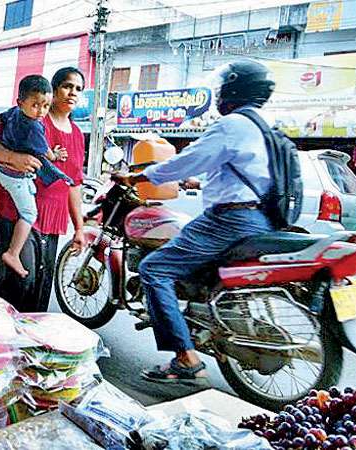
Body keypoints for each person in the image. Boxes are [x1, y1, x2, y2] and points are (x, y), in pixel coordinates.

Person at [112, 60, 276, 386]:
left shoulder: (232, 125)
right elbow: (244, 175)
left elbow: (187, 159)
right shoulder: (263, 127)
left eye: (221, 87)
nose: (217, 94)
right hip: (258, 218)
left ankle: (186, 357)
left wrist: (139, 175)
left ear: (233, 89)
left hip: (228, 221)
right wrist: (201, 184)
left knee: (154, 269)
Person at [0, 67, 86, 313]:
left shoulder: (78, 134)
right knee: (17, 283)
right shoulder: (31, 116)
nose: (72, 93)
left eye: (78, 89)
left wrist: (79, 228)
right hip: (16, 210)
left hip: (52, 219)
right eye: (67, 86)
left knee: (39, 288)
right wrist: (12, 157)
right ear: (54, 89)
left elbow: (74, 183)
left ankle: (26, 346)